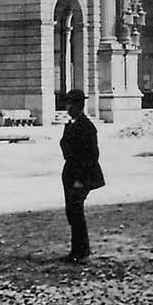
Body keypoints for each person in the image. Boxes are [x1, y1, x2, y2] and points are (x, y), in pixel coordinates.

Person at [56, 89, 104, 264]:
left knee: (76, 213)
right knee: (72, 212)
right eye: (67, 104)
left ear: (78, 106)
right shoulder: (73, 124)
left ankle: (80, 251)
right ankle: (78, 250)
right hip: (71, 174)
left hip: (80, 177)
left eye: (70, 104)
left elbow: (91, 156)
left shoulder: (86, 126)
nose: (67, 108)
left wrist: (79, 180)